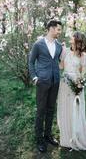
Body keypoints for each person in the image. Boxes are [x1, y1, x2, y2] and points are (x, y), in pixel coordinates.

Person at [57, 31, 86, 151]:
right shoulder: (65, 51)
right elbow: (61, 67)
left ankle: (77, 135)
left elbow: (83, 72)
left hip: (76, 84)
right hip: (64, 83)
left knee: (75, 109)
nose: (71, 37)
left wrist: (79, 84)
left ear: (78, 40)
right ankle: (66, 137)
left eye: (73, 36)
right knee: (65, 108)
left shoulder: (83, 56)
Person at [29, 19, 62, 153]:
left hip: (55, 81)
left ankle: (48, 135)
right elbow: (31, 62)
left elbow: (60, 61)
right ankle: (39, 139)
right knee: (41, 111)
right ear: (51, 28)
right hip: (42, 82)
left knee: (50, 109)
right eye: (58, 29)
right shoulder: (38, 44)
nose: (60, 32)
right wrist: (35, 77)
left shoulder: (59, 45)